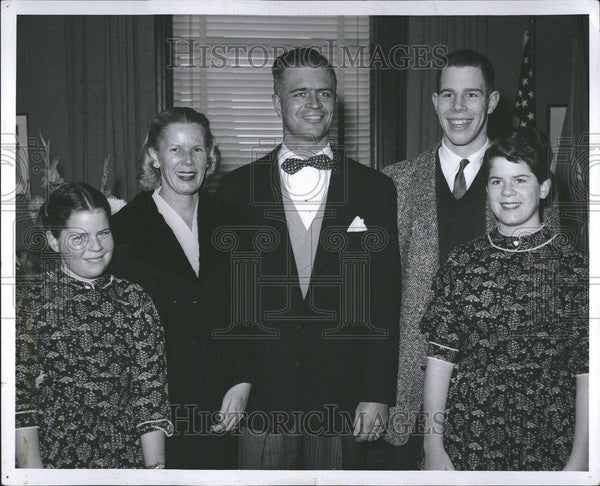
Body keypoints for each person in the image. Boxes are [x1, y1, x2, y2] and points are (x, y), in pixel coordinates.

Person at [216, 47, 401, 469]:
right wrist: (239, 378)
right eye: (300, 93)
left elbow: (385, 297)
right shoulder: (234, 190)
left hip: (343, 393)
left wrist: (376, 392)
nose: (314, 105)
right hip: (263, 393)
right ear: (276, 100)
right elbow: (229, 297)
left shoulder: (375, 189)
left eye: (324, 93)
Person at [381, 49, 562, 468]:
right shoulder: (394, 183)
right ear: (435, 102)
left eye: (472, 96)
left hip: (505, 399)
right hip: (412, 393)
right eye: (448, 95)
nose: (458, 108)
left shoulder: (521, 185)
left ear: (493, 102)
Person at [420, 128, 588, 470]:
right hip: (469, 443)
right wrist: (433, 446)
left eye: (520, 180)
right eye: (497, 181)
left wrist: (580, 458)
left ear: (543, 188)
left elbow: (587, 372)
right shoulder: (463, 262)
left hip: (550, 445)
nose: (507, 192)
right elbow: (440, 361)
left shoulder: (575, 268)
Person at [110, 107, 247, 469]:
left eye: (197, 149)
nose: (188, 161)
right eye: (175, 150)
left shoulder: (233, 221)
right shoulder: (123, 229)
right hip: (155, 413)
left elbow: (251, 309)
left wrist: (242, 381)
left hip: (224, 406)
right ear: (154, 156)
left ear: (210, 155)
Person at [16, 183, 172, 468]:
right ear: (53, 240)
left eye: (103, 233)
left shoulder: (134, 300)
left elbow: (150, 398)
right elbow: (20, 403)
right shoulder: (30, 301)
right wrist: (33, 476)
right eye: (79, 238)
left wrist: (154, 473)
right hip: (55, 467)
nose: (96, 247)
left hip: (126, 467)